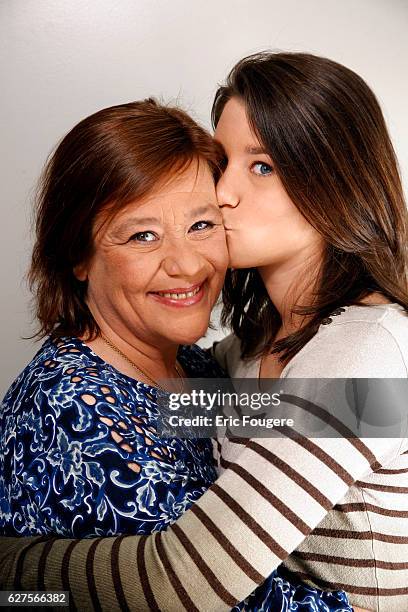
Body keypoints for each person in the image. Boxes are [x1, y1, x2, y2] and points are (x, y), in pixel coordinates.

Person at [2, 51, 405, 611]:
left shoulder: (367, 351)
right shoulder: (242, 356)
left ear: (333, 183)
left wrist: (11, 568)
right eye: (224, 164)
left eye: (261, 166)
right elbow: (143, 409)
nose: (222, 194)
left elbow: (180, 578)